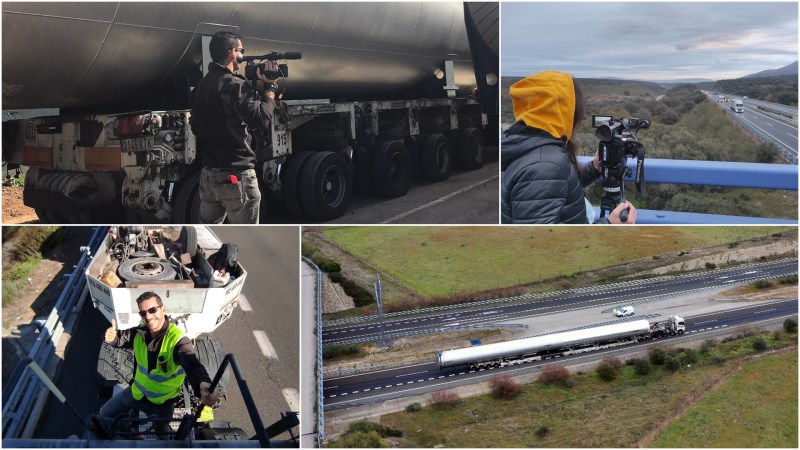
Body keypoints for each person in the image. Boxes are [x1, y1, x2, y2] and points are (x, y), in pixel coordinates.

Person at [501, 70, 637, 224]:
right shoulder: (545, 164)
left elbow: (556, 188)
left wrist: (594, 168)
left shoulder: (531, 143)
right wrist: (609, 226)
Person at [98, 292, 219, 439]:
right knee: (105, 414)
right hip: (137, 394)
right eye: (143, 313)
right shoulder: (139, 332)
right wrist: (111, 338)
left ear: (163, 309)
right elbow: (120, 339)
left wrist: (203, 384)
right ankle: (132, 435)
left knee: (162, 434)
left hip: (162, 404)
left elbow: (192, 364)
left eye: (152, 310)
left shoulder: (178, 340)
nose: (148, 316)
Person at [189, 30, 280, 224]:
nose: (243, 55)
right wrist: (270, 89)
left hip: (209, 176)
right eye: (241, 51)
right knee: (245, 234)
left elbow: (195, 128)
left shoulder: (200, 88)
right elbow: (261, 120)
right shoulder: (235, 85)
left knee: (210, 229)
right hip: (236, 176)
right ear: (232, 53)